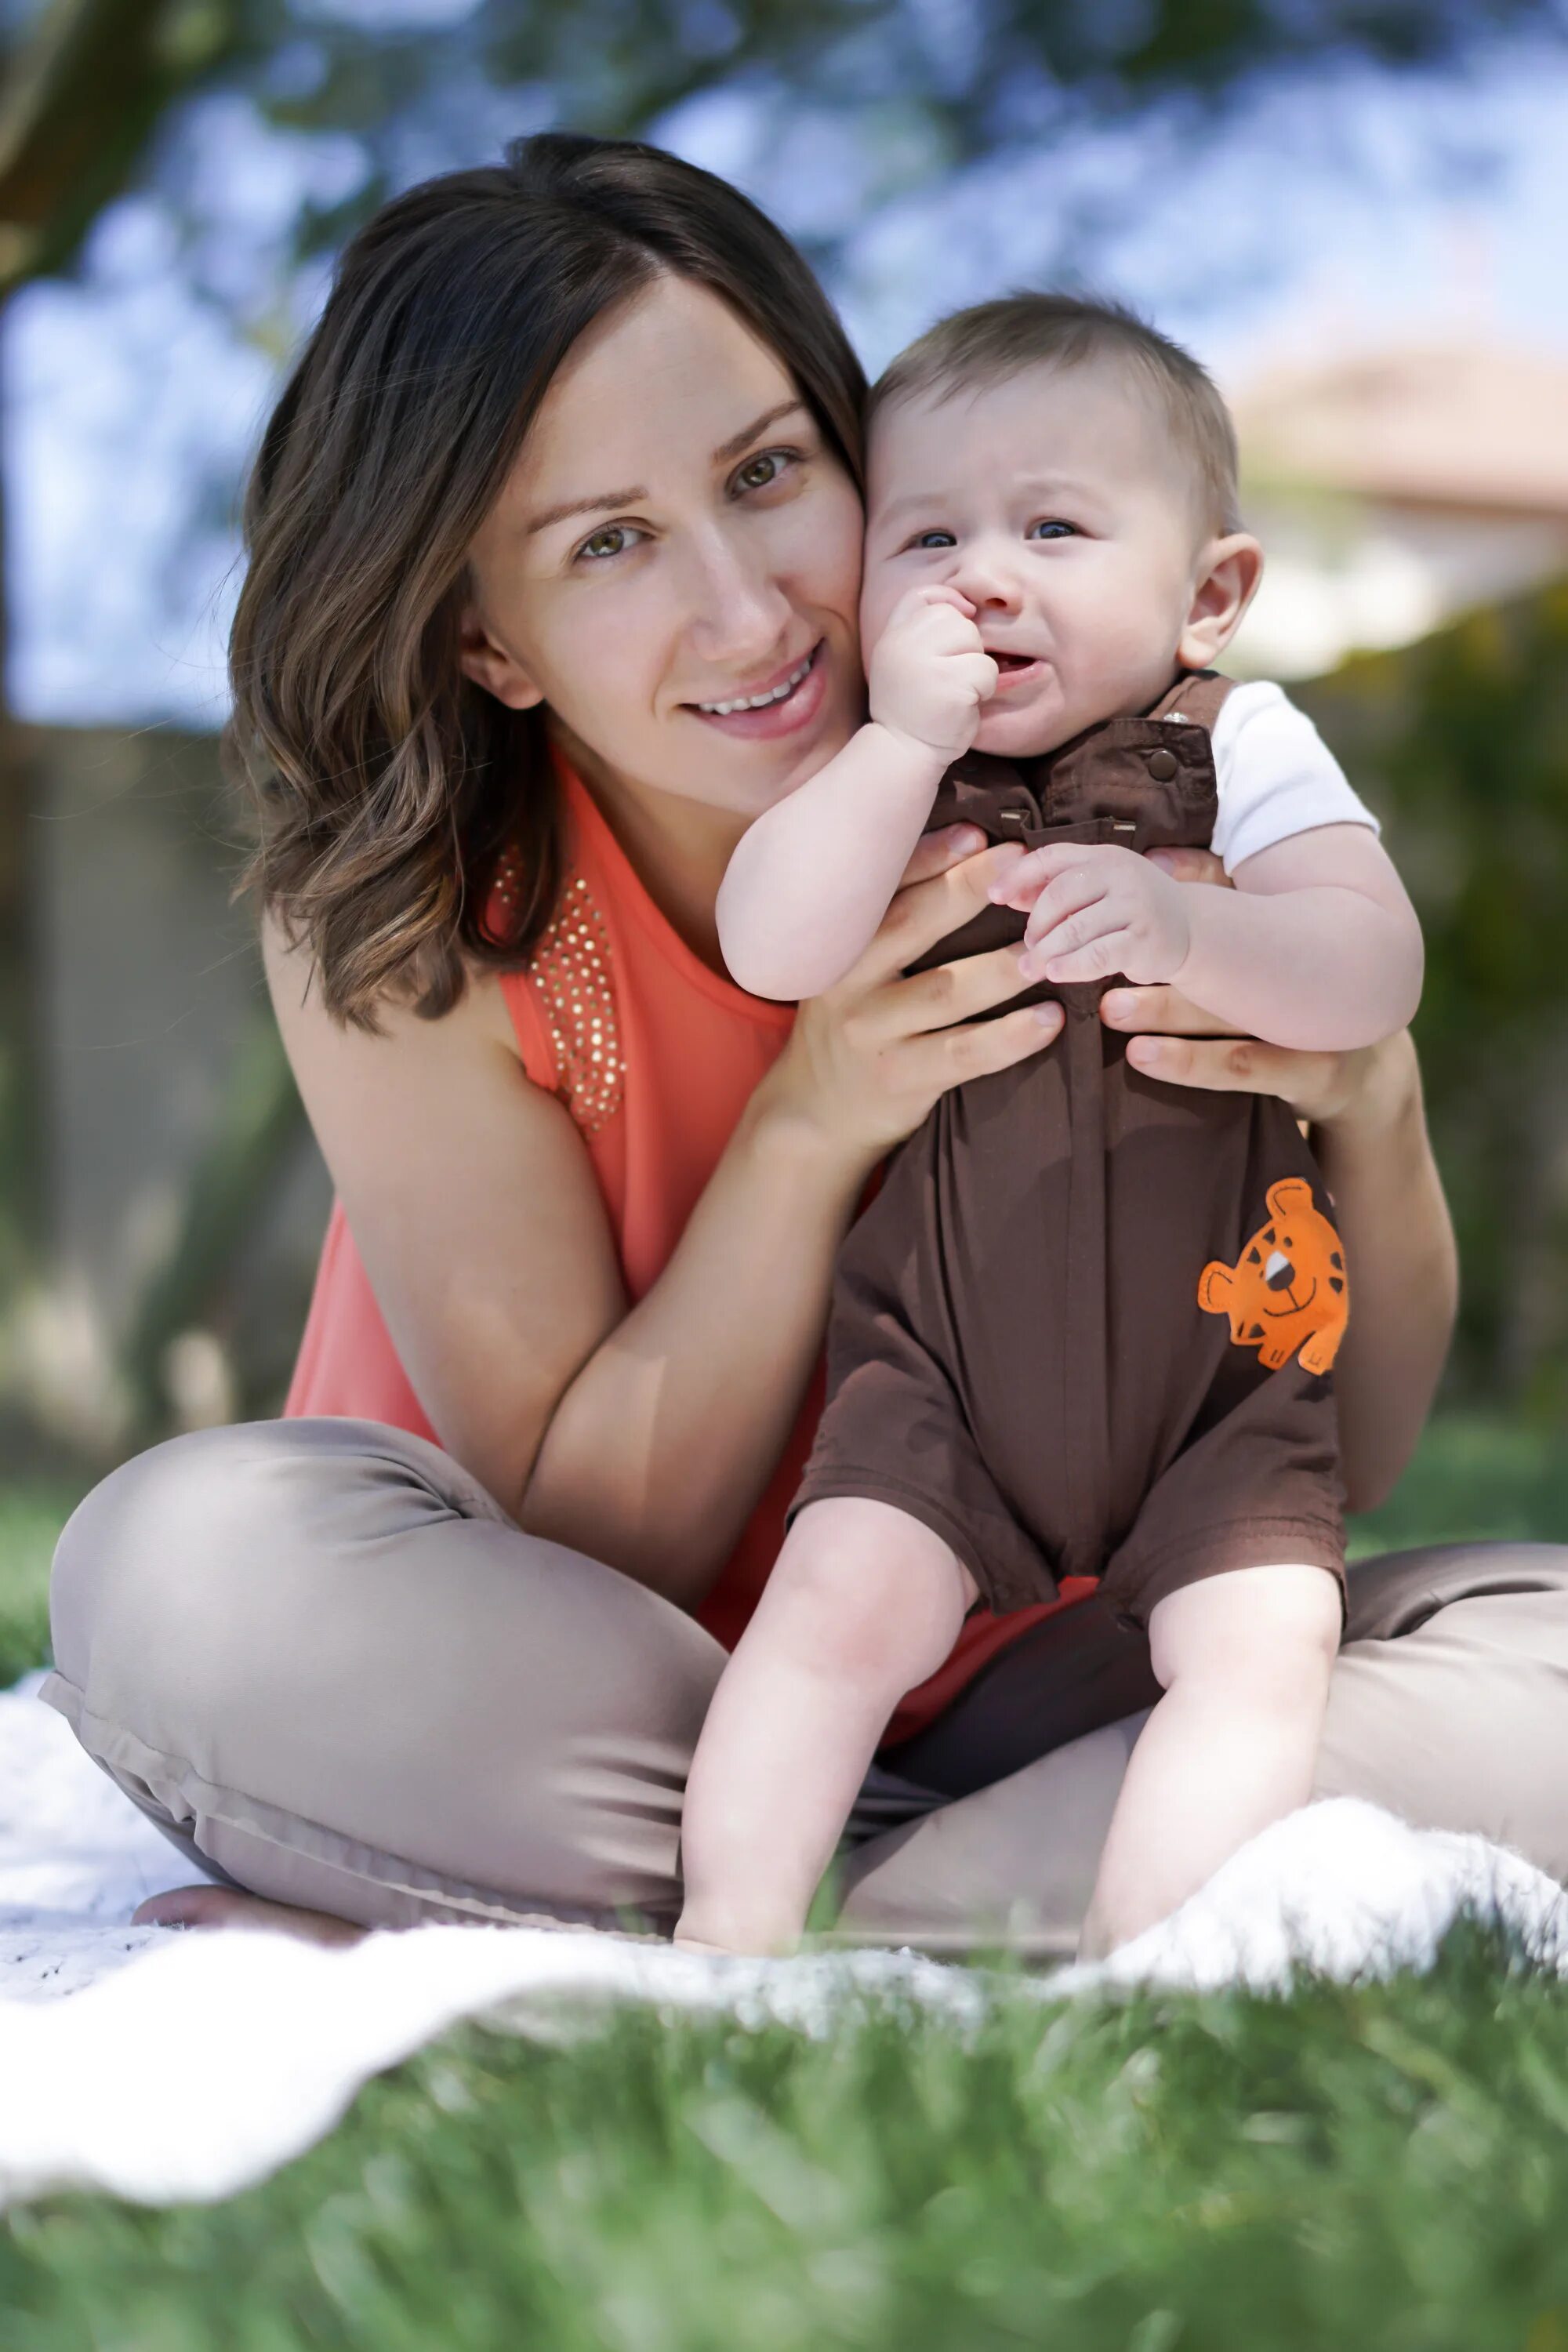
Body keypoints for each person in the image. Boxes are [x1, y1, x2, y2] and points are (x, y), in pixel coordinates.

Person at [40, 135, 1568, 1960]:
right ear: (487, 641)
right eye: (606, 544)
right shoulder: (415, 912)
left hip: (1046, 1666)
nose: (752, 610)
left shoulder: (1130, 801)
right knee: (180, 1566)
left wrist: (1368, 1102)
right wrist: (814, 1116)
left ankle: (832, 1905)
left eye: (769, 474)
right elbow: (600, 1532)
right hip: (575, 1680)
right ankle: (982, 1885)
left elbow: (1344, 1448)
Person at [674, 295, 1424, 1961]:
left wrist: (1195, 936)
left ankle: (1146, 1969)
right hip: (939, 1372)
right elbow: (775, 948)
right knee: (833, 1608)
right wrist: (896, 744)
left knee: (1264, 1644)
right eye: (926, 536)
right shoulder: (885, 775)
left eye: (1054, 527)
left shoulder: (1239, 744)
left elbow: (1373, 965)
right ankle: (724, 1943)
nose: (982, 576)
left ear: (1208, 593)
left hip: (1218, 1388)